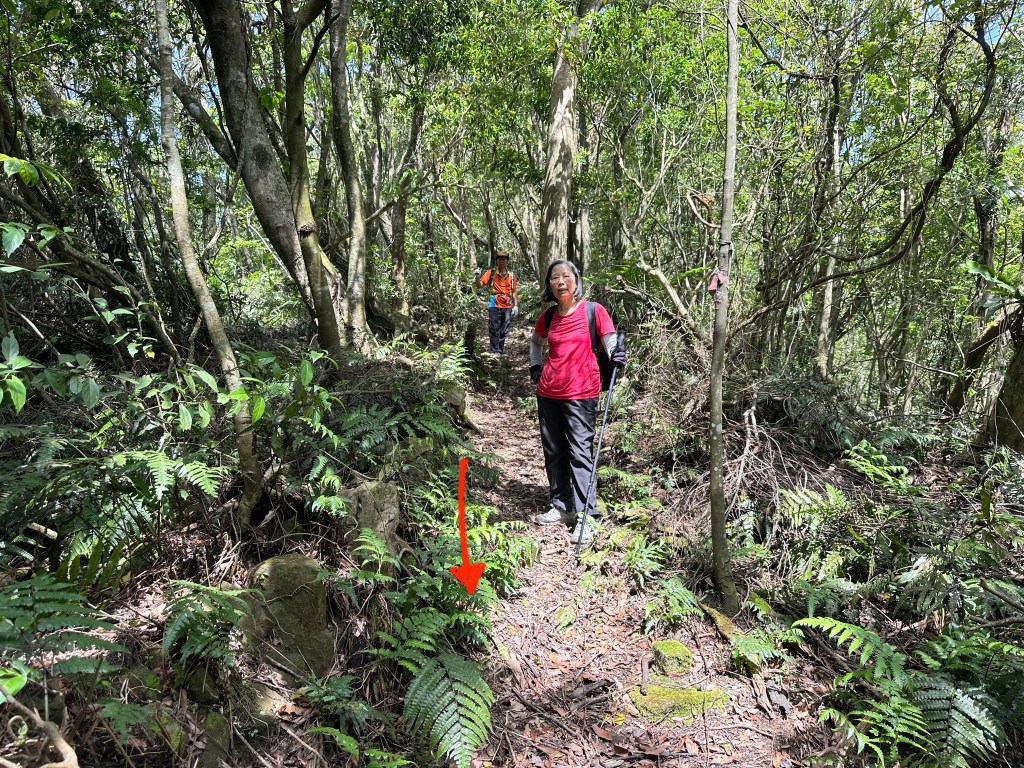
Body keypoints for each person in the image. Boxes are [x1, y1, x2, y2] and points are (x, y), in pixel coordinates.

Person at [529, 259, 626, 544]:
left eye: (566, 276)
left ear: (576, 280)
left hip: (582, 394)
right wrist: (536, 367)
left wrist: (617, 356)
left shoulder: (593, 311)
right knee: (554, 452)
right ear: (549, 285)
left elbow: (610, 342)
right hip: (548, 393)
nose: (560, 282)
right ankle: (561, 506)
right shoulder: (548, 316)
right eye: (554, 277)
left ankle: (587, 515)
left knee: (580, 453)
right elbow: (535, 342)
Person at [474, 250, 519, 355]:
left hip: (507, 304)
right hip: (494, 303)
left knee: (504, 329)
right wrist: (477, 277)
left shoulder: (511, 275)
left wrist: (516, 305)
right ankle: (495, 350)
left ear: (507, 262)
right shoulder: (491, 273)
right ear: (496, 261)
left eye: (504, 260)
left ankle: (500, 348)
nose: (502, 262)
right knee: (494, 327)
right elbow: (479, 285)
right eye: (500, 260)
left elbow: (514, 291)